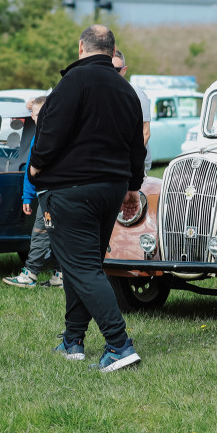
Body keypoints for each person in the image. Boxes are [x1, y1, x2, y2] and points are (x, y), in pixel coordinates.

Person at [28, 25, 147, 372]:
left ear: (81, 47)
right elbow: (135, 146)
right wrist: (131, 187)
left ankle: (119, 345)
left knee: (81, 267)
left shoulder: (72, 83)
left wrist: (36, 167)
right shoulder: (126, 91)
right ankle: (72, 341)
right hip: (110, 189)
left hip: (71, 189)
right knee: (82, 266)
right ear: (112, 51)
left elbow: (50, 132)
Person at [2, 95, 63, 288]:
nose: (33, 117)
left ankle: (30, 274)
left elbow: (32, 168)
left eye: (35, 114)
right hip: (52, 194)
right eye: (32, 113)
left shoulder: (46, 137)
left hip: (50, 195)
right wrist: (27, 196)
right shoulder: (47, 134)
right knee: (59, 234)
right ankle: (61, 275)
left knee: (40, 232)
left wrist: (29, 195)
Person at [113, 50, 152, 174]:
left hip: (133, 166)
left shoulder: (136, 93)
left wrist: (129, 160)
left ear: (124, 70)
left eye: (116, 70)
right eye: (108, 68)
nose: (112, 73)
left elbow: (145, 132)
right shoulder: (105, 93)